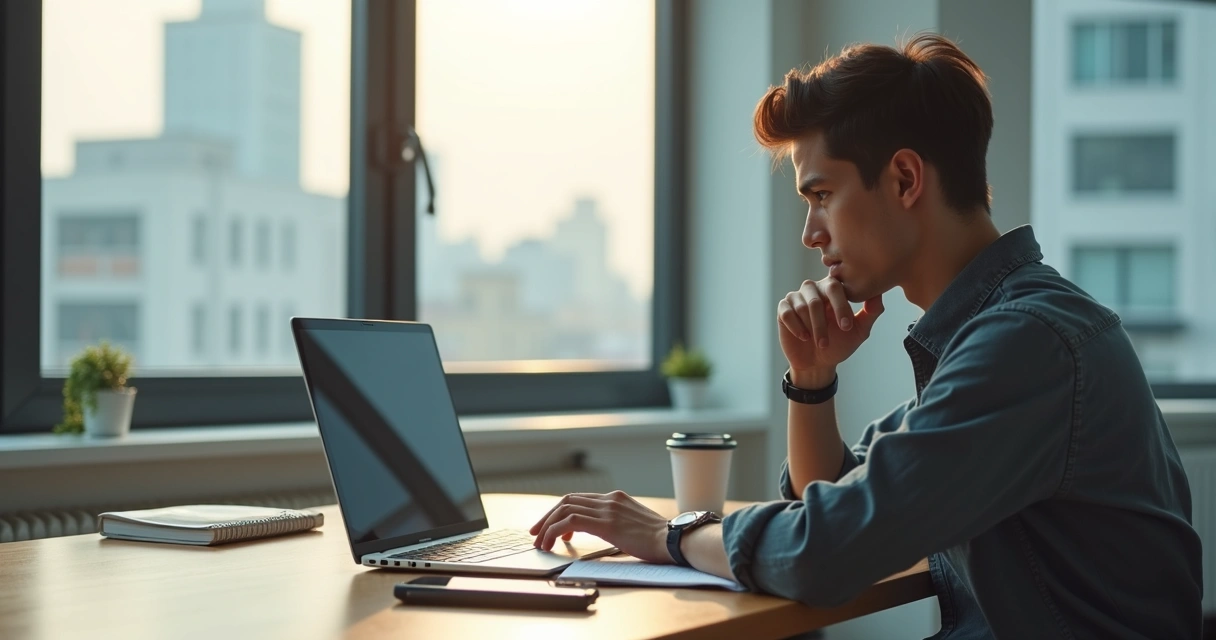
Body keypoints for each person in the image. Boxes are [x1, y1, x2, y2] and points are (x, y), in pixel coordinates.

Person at [530, 33, 1202, 638]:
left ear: (905, 179)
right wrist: (812, 382)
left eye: (821, 195)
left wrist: (668, 534)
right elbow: (846, 497)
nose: (811, 233)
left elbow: (826, 552)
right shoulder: (996, 329)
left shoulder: (1026, 343)